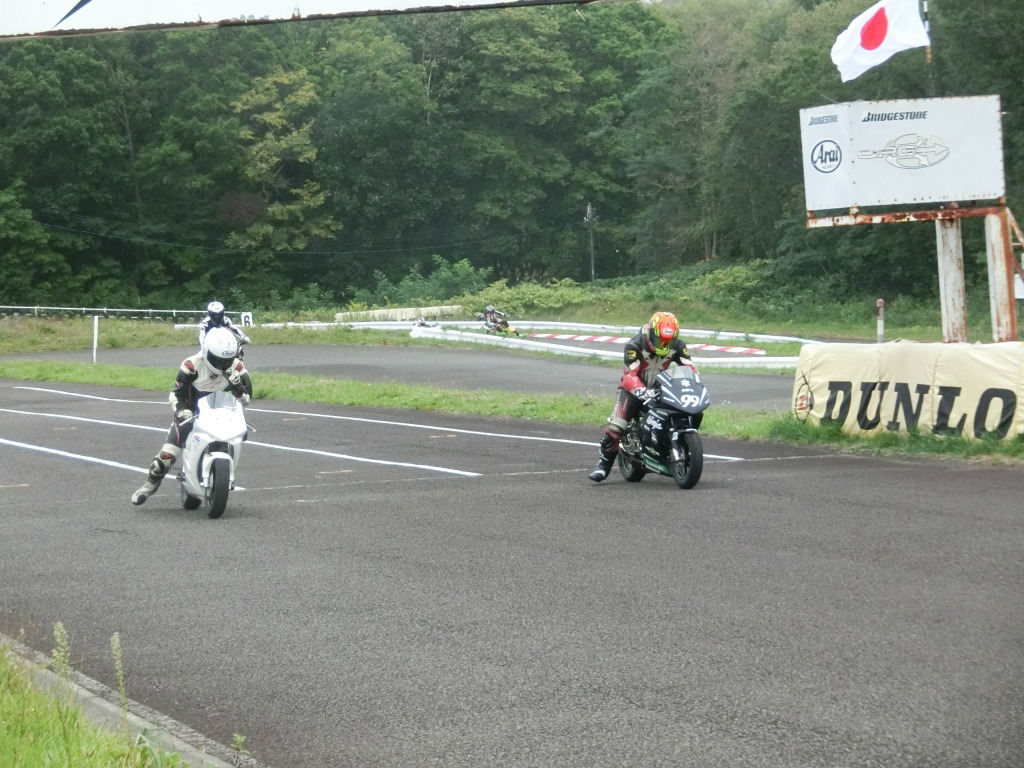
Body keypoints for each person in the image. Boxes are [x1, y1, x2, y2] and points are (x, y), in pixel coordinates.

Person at [131, 327, 253, 505]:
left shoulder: (237, 366)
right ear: (206, 352)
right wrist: (181, 411)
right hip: (191, 413)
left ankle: (225, 474)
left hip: (222, 413)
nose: (223, 365)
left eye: (227, 360)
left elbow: (247, 399)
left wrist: (237, 387)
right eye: (218, 360)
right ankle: (150, 485)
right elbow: (176, 394)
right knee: (164, 459)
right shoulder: (191, 365)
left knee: (242, 434)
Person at [588, 311, 693, 482]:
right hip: (631, 390)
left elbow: (690, 368)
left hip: (660, 390)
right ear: (651, 333)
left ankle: (666, 449)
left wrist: (694, 385)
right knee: (616, 427)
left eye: (668, 340)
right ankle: (603, 467)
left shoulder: (679, 346)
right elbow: (630, 374)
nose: (664, 344)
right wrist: (640, 391)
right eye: (661, 340)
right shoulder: (635, 345)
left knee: (677, 415)